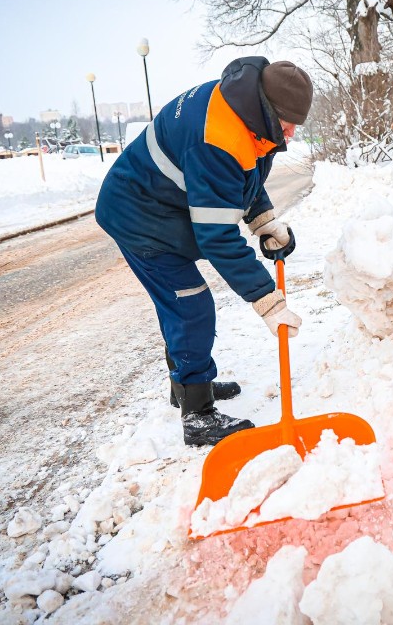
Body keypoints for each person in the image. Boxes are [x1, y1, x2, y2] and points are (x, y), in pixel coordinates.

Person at [95, 57, 312, 447]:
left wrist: (264, 222)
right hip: (138, 215)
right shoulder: (217, 137)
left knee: (183, 305)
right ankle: (197, 414)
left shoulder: (245, 112)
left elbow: (241, 174)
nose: (292, 133)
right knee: (190, 304)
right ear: (265, 108)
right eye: (286, 123)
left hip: (162, 207)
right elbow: (217, 237)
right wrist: (268, 301)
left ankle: (186, 387)